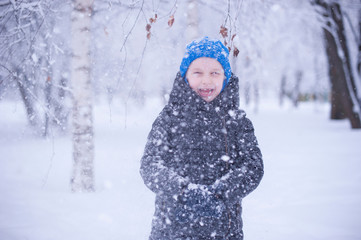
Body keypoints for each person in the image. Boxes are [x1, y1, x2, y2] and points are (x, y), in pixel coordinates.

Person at [140, 36, 264, 240]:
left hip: (224, 231)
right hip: (170, 230)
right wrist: (182, 190)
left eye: (215, 73)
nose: (206, 80)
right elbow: (150, 164)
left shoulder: (237, 121)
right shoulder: (169, 118)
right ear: (185, 76)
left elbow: (253, 167)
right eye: (197, 72)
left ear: (225, 77)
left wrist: (220, 192)